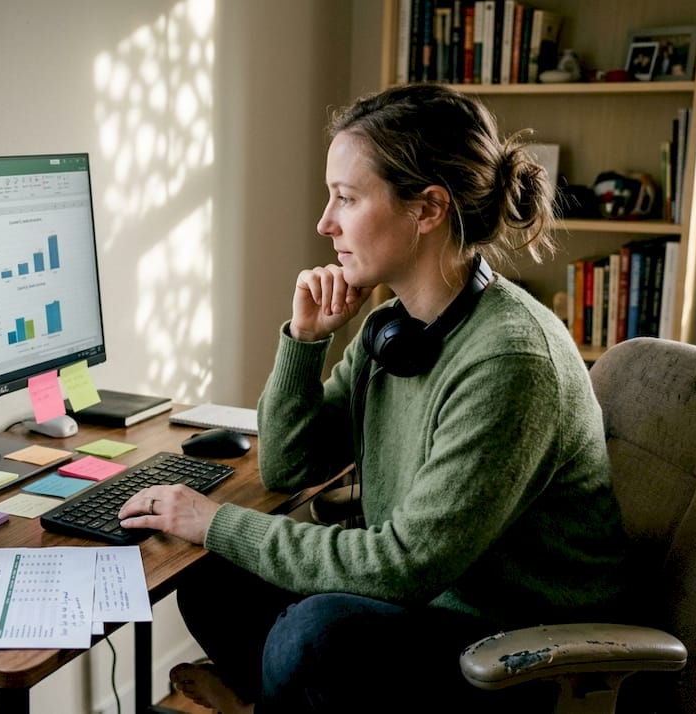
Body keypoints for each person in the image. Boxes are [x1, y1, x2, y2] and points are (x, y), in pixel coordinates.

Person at [117, 82, 630, 712]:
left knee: (312, 636)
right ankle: (270, 697)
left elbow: (403, 565)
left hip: (515, 644)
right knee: (212, 575)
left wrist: (215, 519)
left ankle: (268, 694)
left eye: (347, 198)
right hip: (429, 599)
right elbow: (289, 466)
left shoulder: (510, 361)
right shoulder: (396, 330)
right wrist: (305, 343)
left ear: (427, 208)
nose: (324, 222)